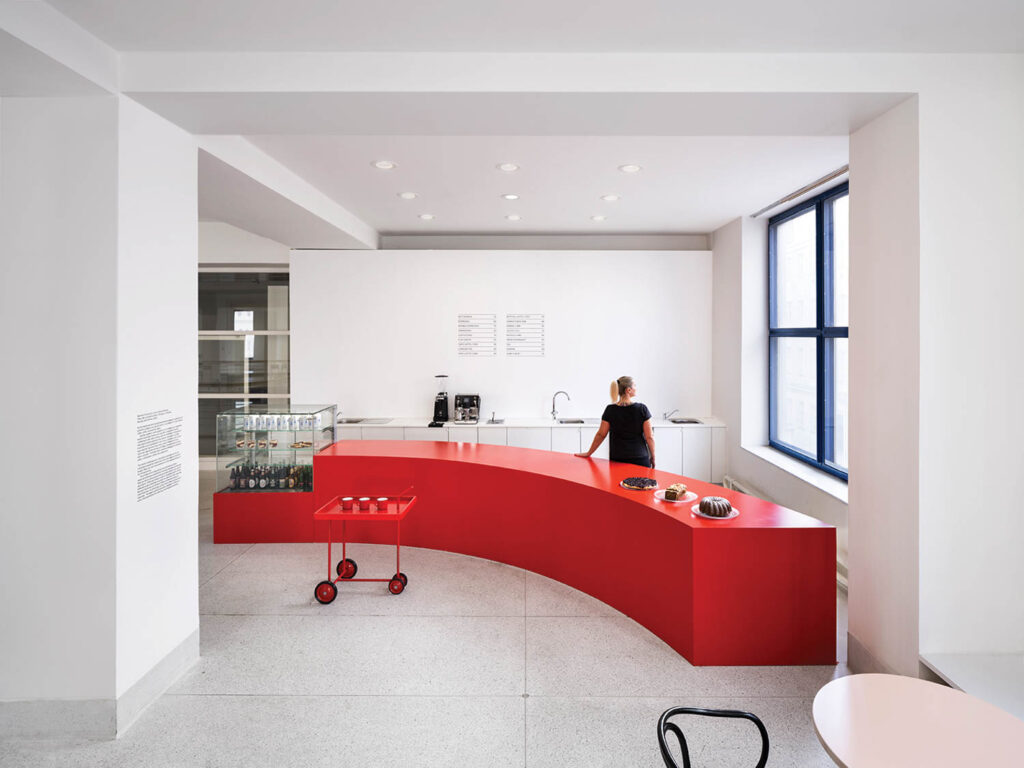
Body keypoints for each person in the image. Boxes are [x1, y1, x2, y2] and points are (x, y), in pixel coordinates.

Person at [575, 375, 656, 468]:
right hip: (639, 458)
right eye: (635, 386)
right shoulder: (642, 409)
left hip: (617, 459)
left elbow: (601, 435)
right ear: (628, 390)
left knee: (617, 483)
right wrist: (653, 457)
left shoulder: (610, 410)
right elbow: (649, 437)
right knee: (640, 483)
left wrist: (589, 452)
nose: (636, 388)